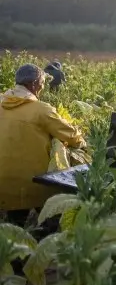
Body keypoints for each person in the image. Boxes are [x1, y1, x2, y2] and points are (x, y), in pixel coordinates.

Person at [0, 64, 85, 224]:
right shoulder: (42, 110)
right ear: (33, 85)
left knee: (13, 228)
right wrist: (82, 142)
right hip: (32, 184)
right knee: (52, 217)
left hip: (3, 182)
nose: (43, 87)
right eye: (42, 83)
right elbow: (72, 136)